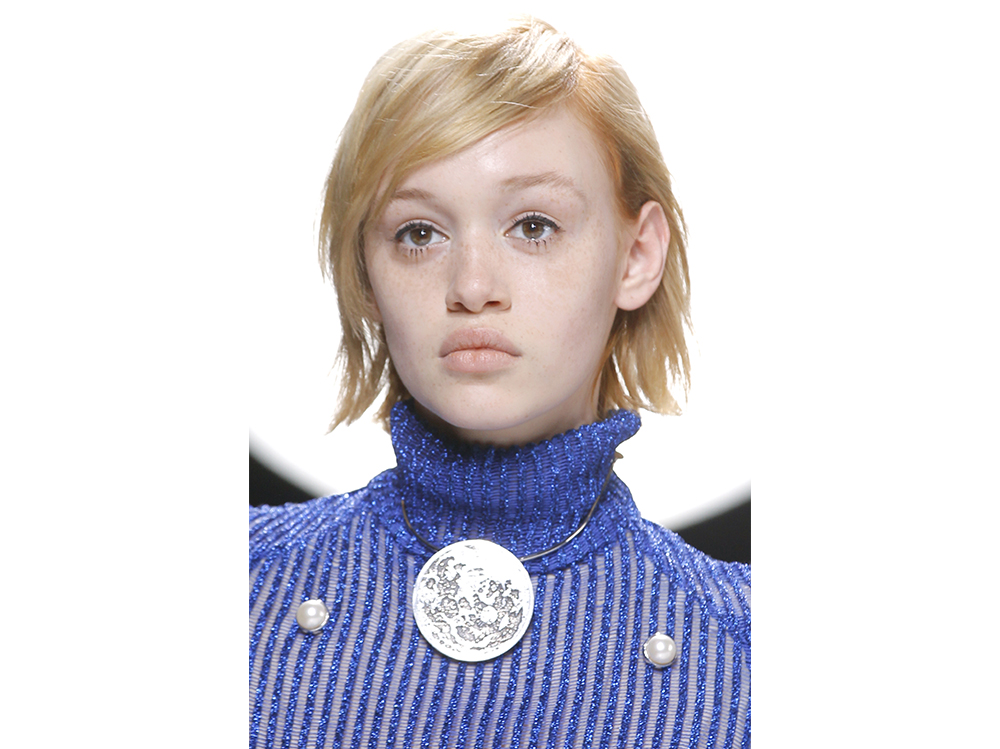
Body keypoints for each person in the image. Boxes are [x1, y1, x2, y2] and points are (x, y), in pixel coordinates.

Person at [250, 18, 750, 748]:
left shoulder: (747, 652)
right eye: (419, 233)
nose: (472, 286)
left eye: (534, 226)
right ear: (364, 272)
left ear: (636, 255)